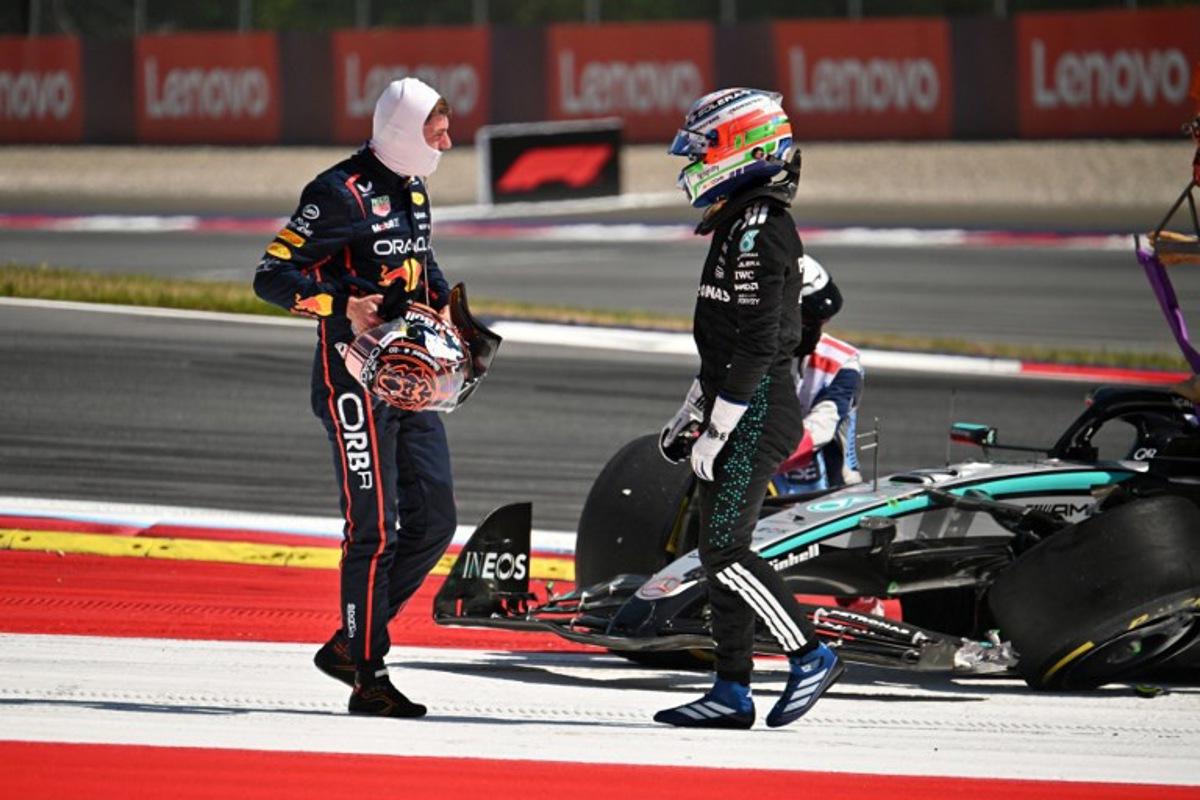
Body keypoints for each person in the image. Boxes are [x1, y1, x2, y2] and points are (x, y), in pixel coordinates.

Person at [253, 77, 456, 718]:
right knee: (373, 530)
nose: (447, 143)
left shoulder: (414, 189)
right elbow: (270, 277)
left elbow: (419, 260)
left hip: (410, 379)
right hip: (353, 384)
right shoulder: (336, 192)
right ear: (404, 130)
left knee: (437, 519)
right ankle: (369, 673)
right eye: (437, 132)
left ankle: (351, 640)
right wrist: (342, 304)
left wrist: (446, 304)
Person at [655, 88, 843, 729]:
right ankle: (731, 688)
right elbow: (723, 342)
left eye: (702, 149)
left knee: (726, 552)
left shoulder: (762, 229)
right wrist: (692, 413)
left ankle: (811, 655)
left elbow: (760, 344)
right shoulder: (739, 222)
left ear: (743, 151)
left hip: (757, 410)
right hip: (735, 403)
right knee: (715, 551)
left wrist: (720, 426)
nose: (693, 162)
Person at [770, 255, 863, 497]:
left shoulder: (844, 363)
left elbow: (820, 428)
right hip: (759, 486)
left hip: (829, 496)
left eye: (818, 321)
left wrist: (749, 462)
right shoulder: (744, 356)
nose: (813, 329)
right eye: (808, 320)